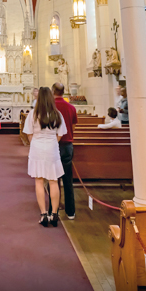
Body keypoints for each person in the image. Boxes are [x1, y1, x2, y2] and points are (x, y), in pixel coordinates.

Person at [23, 87, 67, 227]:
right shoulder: (57, 114)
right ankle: (54, 214)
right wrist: (52, 143)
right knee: (53, 181)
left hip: (37, 148)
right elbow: (60, 134)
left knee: (39, 181)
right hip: (52, 148)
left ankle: (43, 214)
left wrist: (36, 143)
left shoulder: (33, 114)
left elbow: (29, 133)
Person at [52, 82, 79, 220]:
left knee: (53, 180)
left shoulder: (50, 108)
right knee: (68, 179)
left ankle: (53, 210)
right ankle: (70, 212)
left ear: (52, 91)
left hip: (53, 146)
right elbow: (73, 127)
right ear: (64, 92)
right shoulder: (71, 107)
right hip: (67, 145)